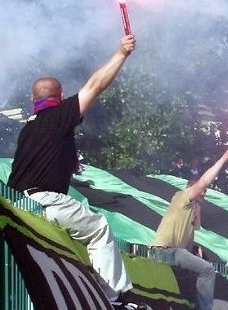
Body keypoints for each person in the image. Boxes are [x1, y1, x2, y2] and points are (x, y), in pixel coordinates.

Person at [6, 36, 144, 309]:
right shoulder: (59, 117)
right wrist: (121, 53)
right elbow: (96, 85)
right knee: (99, 230)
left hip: (19, 206)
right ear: (61, 97)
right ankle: (113, 299)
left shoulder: (27, 130)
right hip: (47, 202)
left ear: (32, 99)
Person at [150, 149, 228, 310]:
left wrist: (198, 208)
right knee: (208, 270)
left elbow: (190, 237)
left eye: (205, 193)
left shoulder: (191, 210)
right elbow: (203, 181)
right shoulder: (182, 197)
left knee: (197, 272)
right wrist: (223, 159)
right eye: (202, 191)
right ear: (191, 188)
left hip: (175, 253)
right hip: (165, 251)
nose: (204, 193)